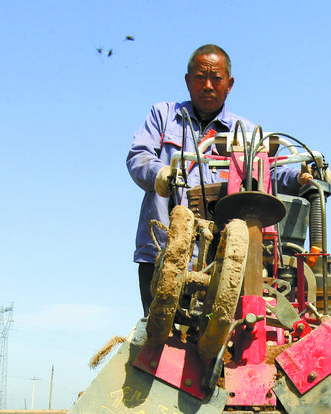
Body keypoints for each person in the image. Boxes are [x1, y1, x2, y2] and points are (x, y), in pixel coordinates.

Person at [126, 44, 302, 315]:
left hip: (222, 258)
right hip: (162, 253)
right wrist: (160, 174)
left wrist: (303, 176)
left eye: (216, 78)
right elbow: (139, 156)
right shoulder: (164, 116)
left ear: (229, 84)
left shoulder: (246, 132)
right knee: (159, 340)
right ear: (187, 81)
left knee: (219, 341)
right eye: (200, 77)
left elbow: (271, 172)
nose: (208, 85)